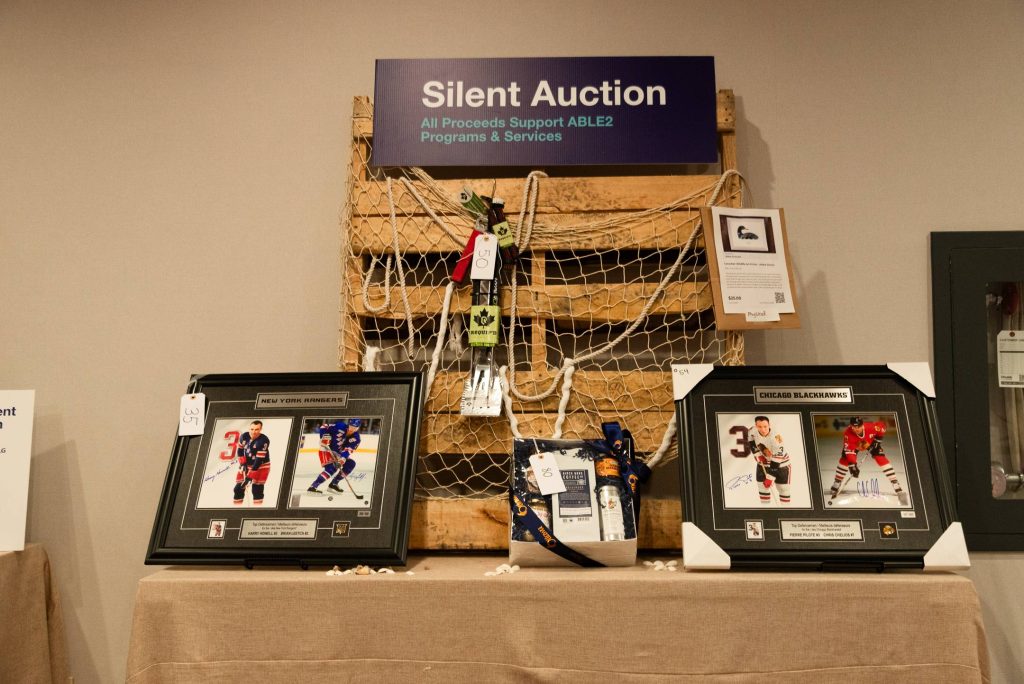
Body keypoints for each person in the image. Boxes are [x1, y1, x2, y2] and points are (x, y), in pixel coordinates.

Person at [829, 417, 907, 503]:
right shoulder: (848, 434)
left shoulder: (871, 427)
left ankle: (895, 482)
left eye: (858, 426)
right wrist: (852, 465)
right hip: (855, 444)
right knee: (845, 459)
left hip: (869, 442)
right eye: (854, 427)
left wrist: (878, 439)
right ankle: (837, 481)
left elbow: (882, 426)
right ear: (851, 426)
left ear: (862, 425)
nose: (856, 429)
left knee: (880, 458)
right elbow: (850, 452)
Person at [307, 418, 362, 495]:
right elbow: (324, 426)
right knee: (332, 468)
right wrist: (324, 437)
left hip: (338, 453)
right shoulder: (340, 426)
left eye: (355, 428)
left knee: (351, 463)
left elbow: (347, 450)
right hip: (326, 449)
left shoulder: (356, 438)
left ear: (358, 428)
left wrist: (342, 460)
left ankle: (334, 484)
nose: (352, 429)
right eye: (351, 426)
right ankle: (313, 487)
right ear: (348, 424)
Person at [747, 415, 791, 504]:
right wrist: (757, 453)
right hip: (763, 463)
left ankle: (785, 510)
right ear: (756, 426)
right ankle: (766, 510)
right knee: (762, 488)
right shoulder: (752, 430)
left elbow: (778, 457)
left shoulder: (776, 437)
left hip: (781, 464)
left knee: (783, 489)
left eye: (765, 426)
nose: (763, 429)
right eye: (759, 426)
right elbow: (750, 439)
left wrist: (770, 477)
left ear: (769, 425)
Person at [234, 420, 270, 505]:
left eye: (257, 429)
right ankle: (236, 508)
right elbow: (240, 450)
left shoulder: (264, 440)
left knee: (256, 490)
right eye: (252, 429)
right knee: (238, 489)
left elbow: (258, 460)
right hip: (247, 464)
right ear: (249, 428)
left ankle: (257, 509)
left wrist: (250, 477)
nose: (254, 432)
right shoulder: (244, 436)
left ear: (261, 429)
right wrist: (242, 464)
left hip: (261, 466)